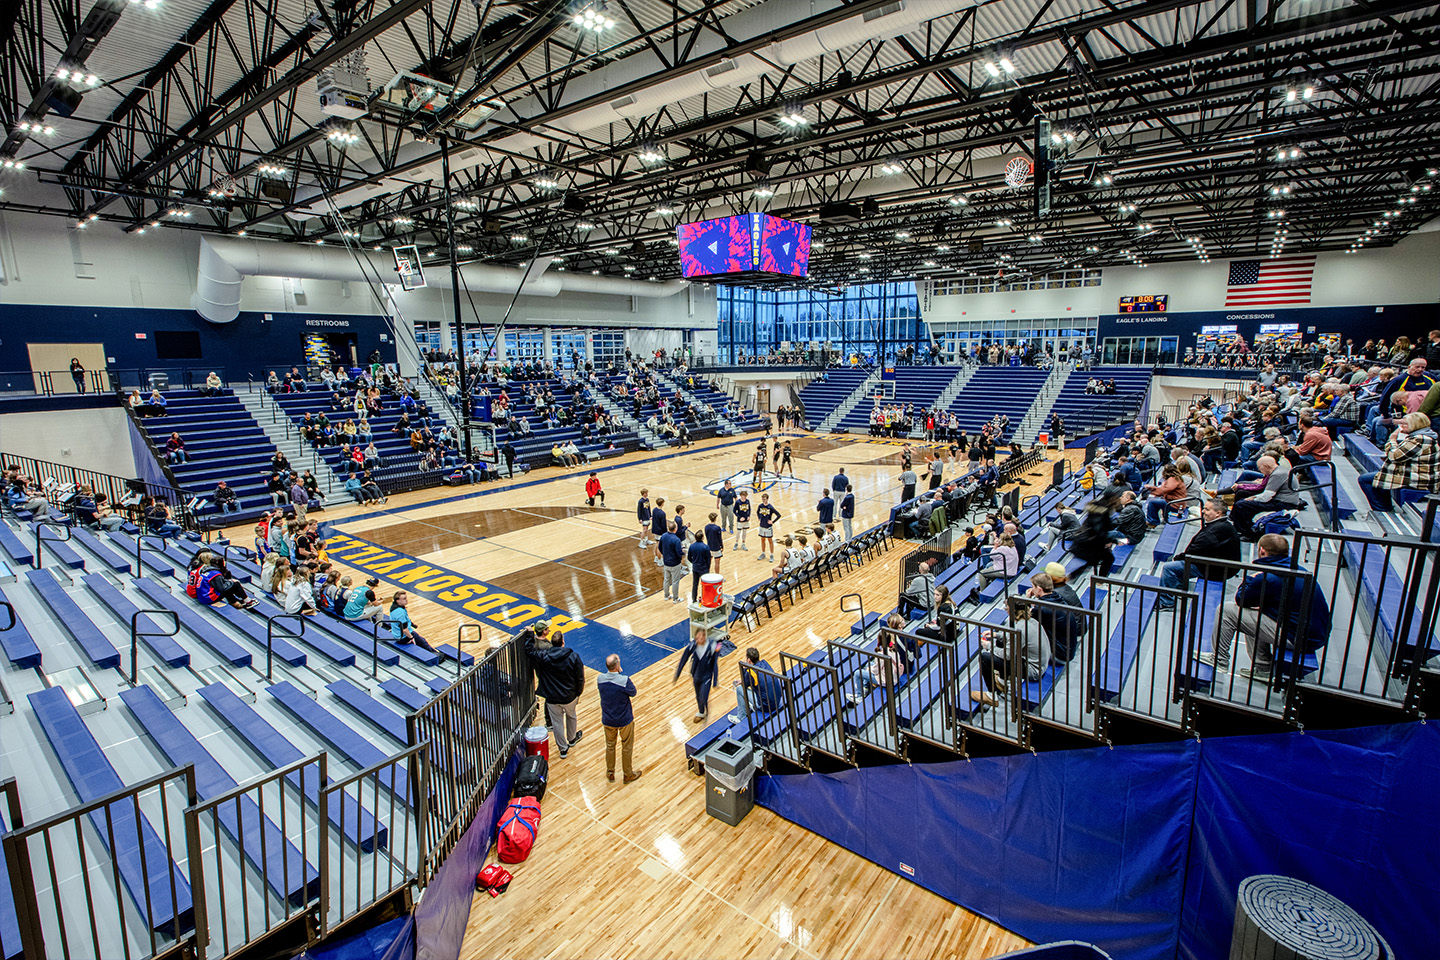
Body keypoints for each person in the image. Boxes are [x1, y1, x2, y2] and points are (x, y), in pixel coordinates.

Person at [1200, 533, 1331, 680]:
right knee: (1251, 613)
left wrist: (1250, 578)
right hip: (1315, 634)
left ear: (1262, 551)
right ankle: (1263, 668)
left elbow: (1241, 599)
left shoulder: (1268, 577)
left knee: (1227, 611)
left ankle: (1219, 660)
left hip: (1298, 637)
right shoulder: (1299, 570)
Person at [1157, 500, 1243, 609]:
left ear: (1218, 513)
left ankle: (1166, 603)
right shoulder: (1221, 525)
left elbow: (1196, 549)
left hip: (1217, 568)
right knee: (1179, 564)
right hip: (1215, 562)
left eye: (1207, 509)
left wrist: (1179, 557)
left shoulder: (1218, 529)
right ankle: (1177, 589)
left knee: (1169, 568)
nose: (1203, 511)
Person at [972, 598, 1051, 707]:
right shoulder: (1031, 621)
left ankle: (991, 696)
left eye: (1007, 608)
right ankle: (1002, 682)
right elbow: (1011, 639)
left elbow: (1007, 655)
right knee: (1000, 642)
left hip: (1033, 670)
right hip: (1038, 663)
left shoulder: (1020, 629)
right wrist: (996, 635)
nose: (1005, 610)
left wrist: (989, 646)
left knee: (985, 658)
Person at [1358, 411, 1439, 510]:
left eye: (1405, 424)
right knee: (1381, 476)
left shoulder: (1420, 439)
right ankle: (1385, 506)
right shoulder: (1420, 436)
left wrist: (1392, 439)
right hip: (1414, 473)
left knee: (1365, 479)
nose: (1402, 426)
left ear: (1415, 425)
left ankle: (1381, 508)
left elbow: (1394, 456)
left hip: (1419, 478)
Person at [526, 628, 586, 757]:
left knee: (557, 723)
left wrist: (530, 635)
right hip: (569, 696)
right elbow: (580, 678)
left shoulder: (544, 656)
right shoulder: (573, 657)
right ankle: (572, 739)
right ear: (563, 642)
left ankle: (563, 749)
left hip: (552, 698)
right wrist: (578, 693)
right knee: (571, 716)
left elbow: (530, 651)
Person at [598, 654, 641, 783]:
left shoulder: (600, 679)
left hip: (608, 719)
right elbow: (633, 692)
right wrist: (621, 674)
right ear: (617, 666)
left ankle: (610, 772)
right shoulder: (624, 680)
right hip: (624, 720)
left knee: (610, 746)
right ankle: (628, 774)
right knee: (626, 747)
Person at [1026, 571, 1085, 662]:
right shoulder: (1057, 598)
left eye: (1033, 587)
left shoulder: (1042, 608)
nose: (1032, 590)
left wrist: (1027, 600)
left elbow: (1025, 620)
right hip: (1068, 650)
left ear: (1039, 589)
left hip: (1059, 655)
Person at [673, 628, 721, 722]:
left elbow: (715, 664)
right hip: (696, 675)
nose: (699, 639)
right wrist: (677, 675)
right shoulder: (692, 646)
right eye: (697, 637)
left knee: (703, 696)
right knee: (698, 696)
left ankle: (704, 708)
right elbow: (683, 660)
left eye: (701, 637)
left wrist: (715, 680)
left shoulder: (712, 645)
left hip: (707, 675)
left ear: (705, 637)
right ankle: (702, 711)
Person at [847, 633, 905, 705]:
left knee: (857, 673)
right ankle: (865, 687)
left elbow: (875, 671)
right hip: (895, 677)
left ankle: (860, 696)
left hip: (886, 680)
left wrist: (868, 669)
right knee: (869, 664)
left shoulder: (881, 655)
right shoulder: (894, 650)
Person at [740, 647, 783, 713]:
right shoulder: (766, 663)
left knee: (739, 689)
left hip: (766, 706)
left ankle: (740, 716)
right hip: (777, 701)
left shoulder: (751, 672)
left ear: (749, 660)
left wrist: (745, 668)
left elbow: (744, 685)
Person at [657, 520, 686, 602]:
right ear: (675, 529)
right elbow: (678, 552)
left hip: (666, 562)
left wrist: (665, 555)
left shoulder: (663, 536)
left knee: (666, 579)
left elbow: (660, 548)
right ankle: (675, 599)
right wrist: (683, 553)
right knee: (675, 581)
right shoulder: (676, 540)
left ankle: (666, 596)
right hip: (675, 563)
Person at [687, 530, 712, 604]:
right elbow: (708, 559)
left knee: (695, 584)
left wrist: (694, 563)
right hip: (704, 569)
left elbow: (689, 557)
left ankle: (694, 599)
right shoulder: (705, 547)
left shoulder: (692, 546)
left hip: (695, 568)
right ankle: (705, 598)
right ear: (702, 537)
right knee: (705, 585)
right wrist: (708, 568)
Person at [755, 493, 780, 562]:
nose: (763, 500)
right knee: (762, 540)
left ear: (767, 499)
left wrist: (773, 521)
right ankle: (763, 553)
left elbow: (778, 515)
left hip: (768, 527)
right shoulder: (760, 506)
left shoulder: (770, 507)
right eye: (762, 499)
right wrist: (759, 518)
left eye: (764, 499)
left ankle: (771, 555)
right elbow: (757, 512)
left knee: (770, 540)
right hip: (762, 526)